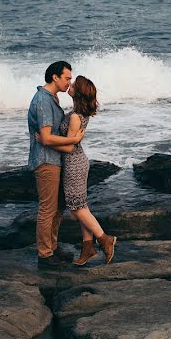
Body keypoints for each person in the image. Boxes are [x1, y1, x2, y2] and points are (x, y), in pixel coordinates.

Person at [41, 75, 116, 266]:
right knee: (81, 206)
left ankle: (104, 239)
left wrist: (45, 140)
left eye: (74, 84)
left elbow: (68, 148)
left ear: (79, 92)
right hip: (76, 162)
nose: (70, 85)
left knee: (76, 208)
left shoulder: (75, 117)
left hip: (74, 163)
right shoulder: (77, 113)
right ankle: (87, 247)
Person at [27, 61, 83, 269]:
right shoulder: (43, 100)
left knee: (58, 207)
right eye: (67, 78)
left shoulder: (52, 98)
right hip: (46, 161)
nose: (70, 82)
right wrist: (73, 141)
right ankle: (44, 255)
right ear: (55, 77)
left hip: (56, 160)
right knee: (48, 208)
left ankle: (52, 246)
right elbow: (47, 138)